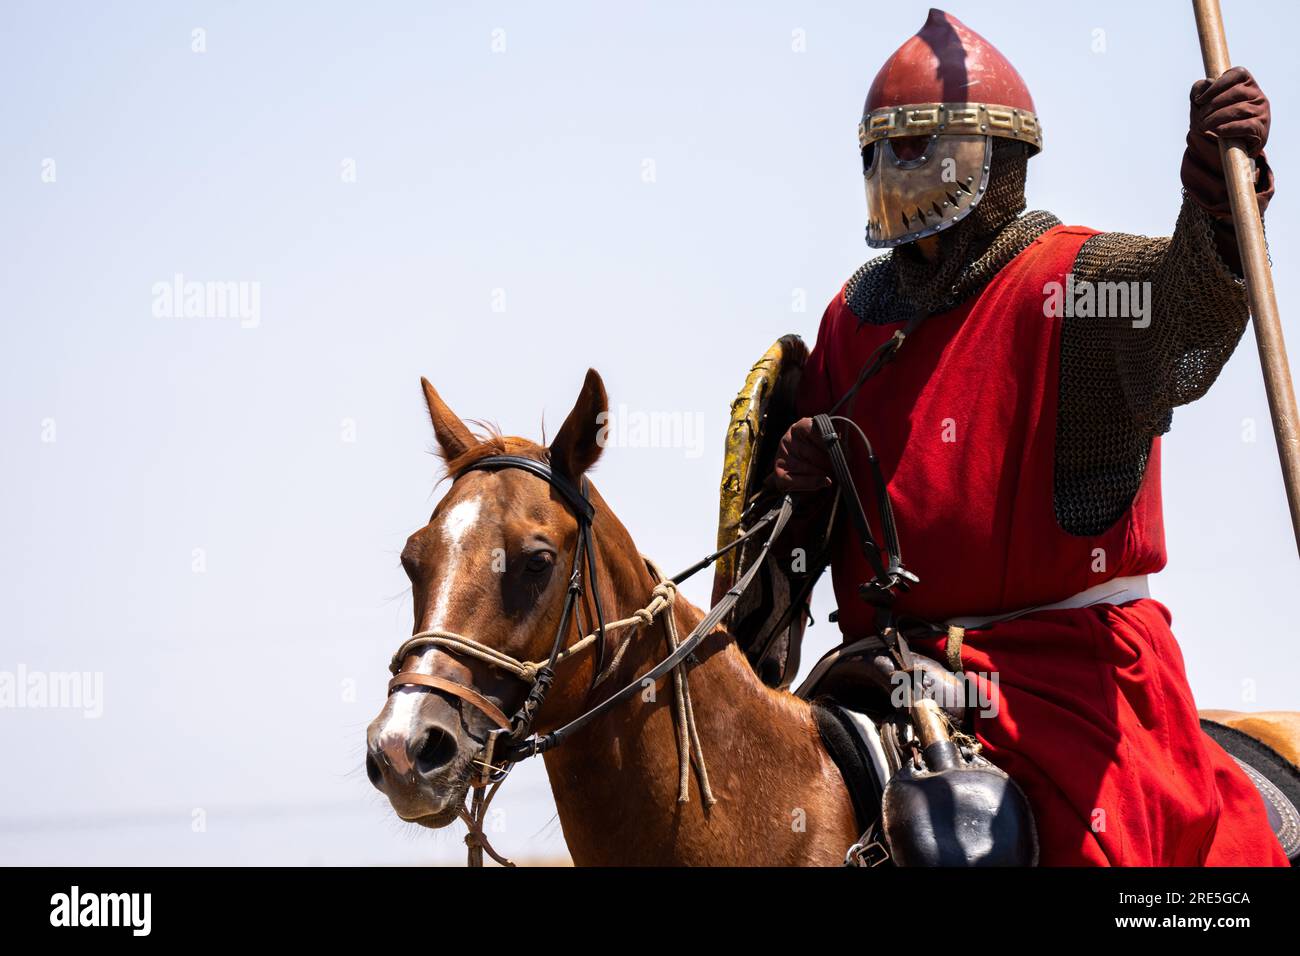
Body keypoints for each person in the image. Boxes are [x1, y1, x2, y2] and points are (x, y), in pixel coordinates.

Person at [773, 8, 1287, 865]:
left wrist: (1216, 205)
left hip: (1062, 679)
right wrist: (802, 478)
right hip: (884, 670)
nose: (901, 174)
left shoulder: (1071, 283)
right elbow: (811, 532)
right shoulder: (855, 313)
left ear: (993, 157)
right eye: (887, 150)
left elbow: (1179, 318)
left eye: (922, 147)